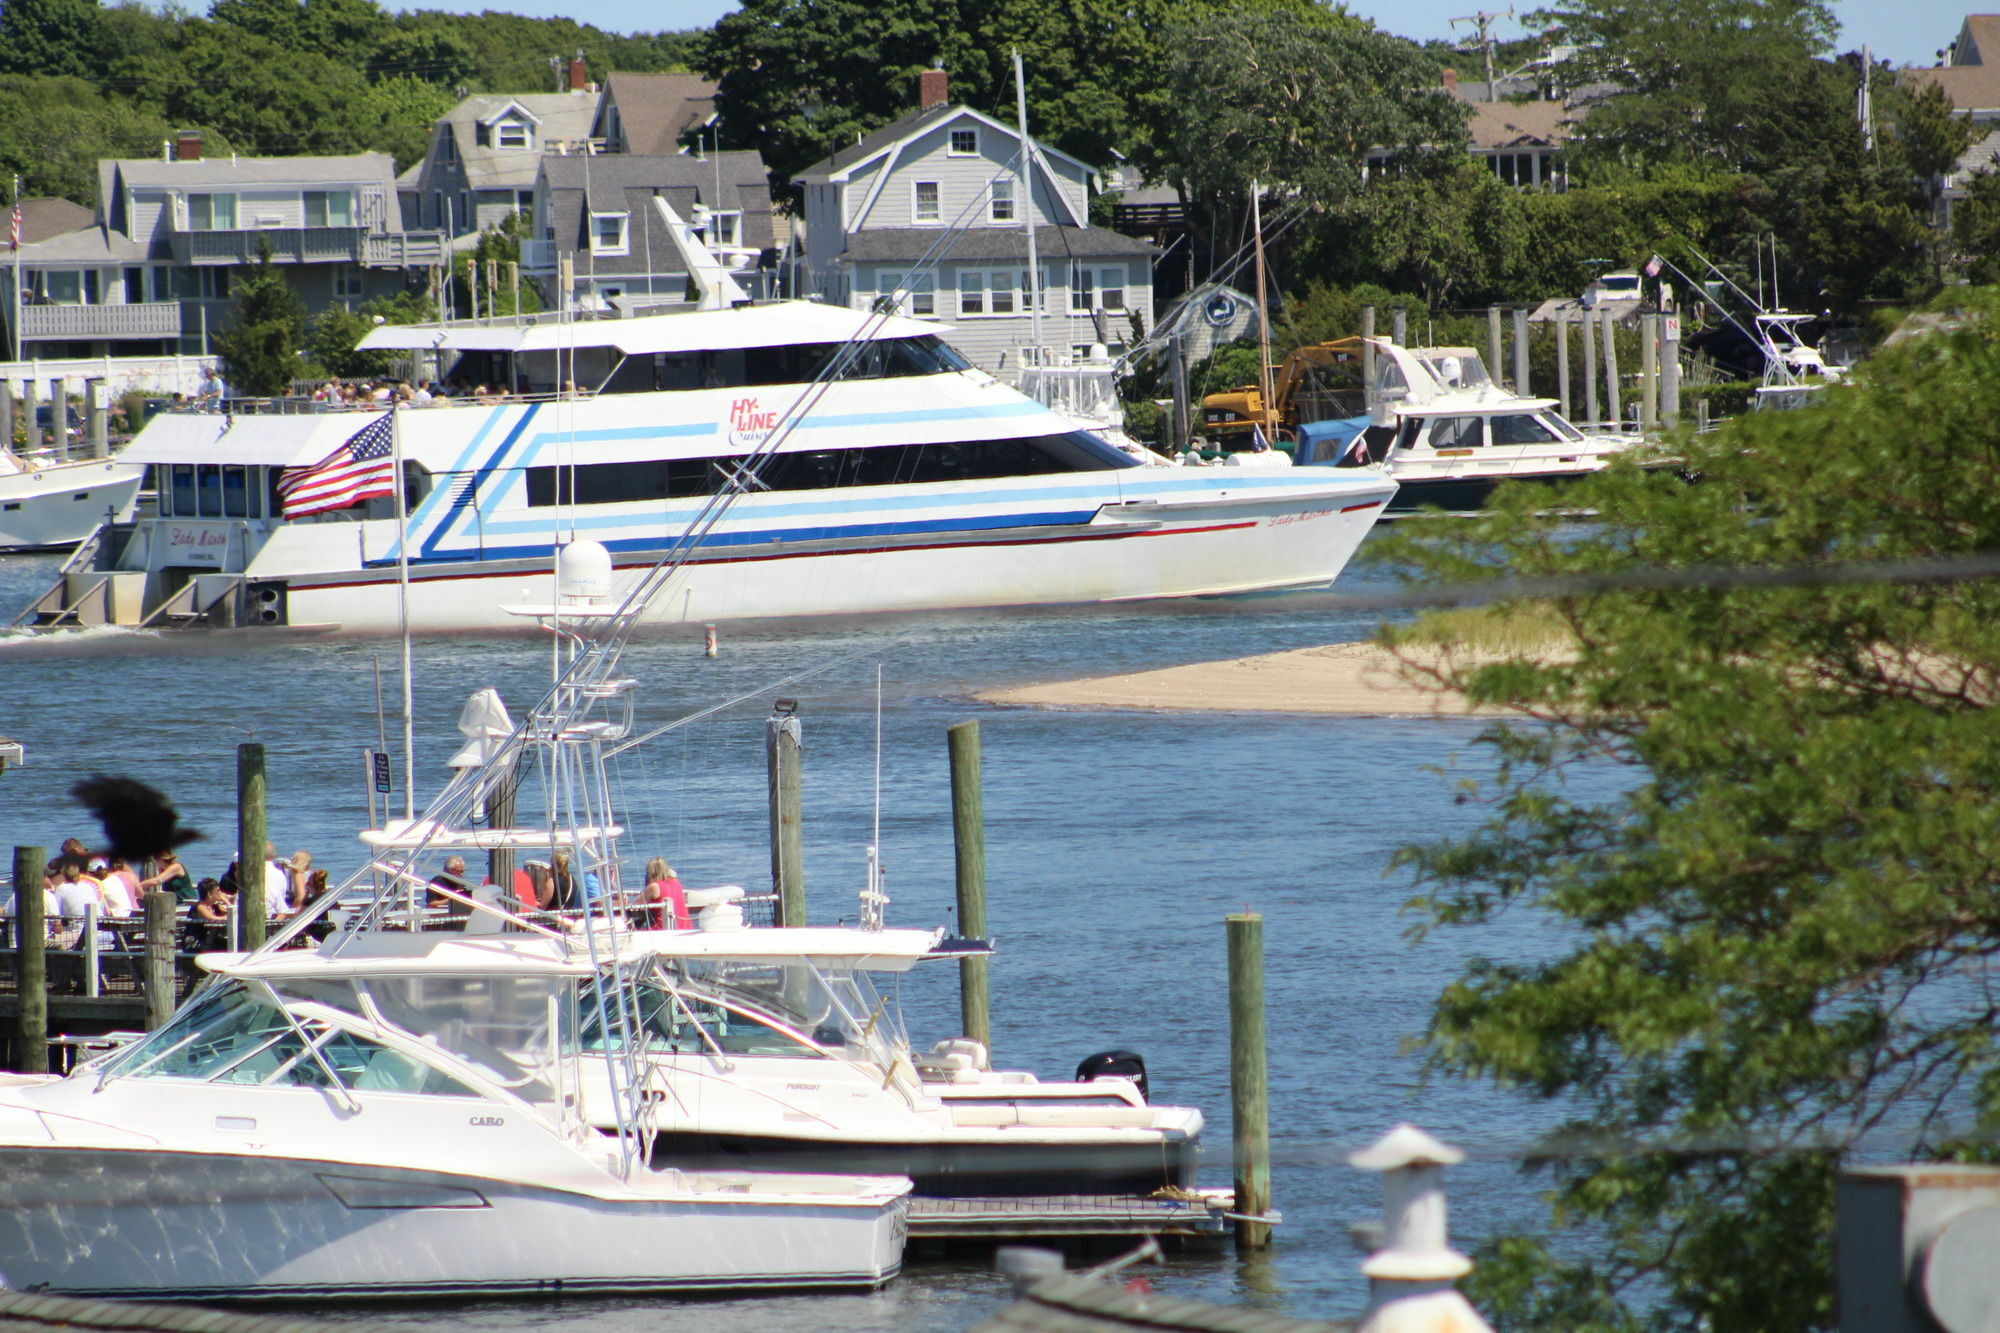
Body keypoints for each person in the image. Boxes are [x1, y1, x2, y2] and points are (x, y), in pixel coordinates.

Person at [641, 857, 692, 931]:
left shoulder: (654, 886)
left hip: (663, 929)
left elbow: (635, 905)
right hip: (684, 928)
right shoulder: (676, 883)